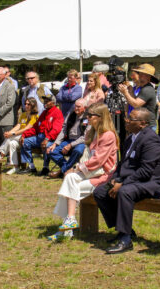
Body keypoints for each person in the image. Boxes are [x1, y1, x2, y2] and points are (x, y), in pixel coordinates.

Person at [93, 107, 160, 254]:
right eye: (127, 117)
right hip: (133, 180)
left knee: (125, 192)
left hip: (152, 182)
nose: (126, 120)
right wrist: (115, 179)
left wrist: (123, 183)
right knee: (100, 192)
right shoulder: (130, 138)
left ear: (142, 123)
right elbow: (122, 165)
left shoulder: (151, 139)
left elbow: (146, 170)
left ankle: (126, 240)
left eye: (131, 119)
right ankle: (122, 230)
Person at [49, 103, 119, 241]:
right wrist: (77, 168)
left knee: (71, 187)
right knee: (69, 181)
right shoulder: (93, 132)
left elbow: (98, 161)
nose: (87, 118)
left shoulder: (108, 135)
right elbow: (88, 157)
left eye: (90, 115)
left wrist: (77, 168)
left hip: (103, 176)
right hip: (92, 172)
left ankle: (67, 228)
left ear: (100, 117)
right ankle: (70, 220)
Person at [19, 94, 64, 175]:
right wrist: (24, 134)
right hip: (39, 137)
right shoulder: (44, 113)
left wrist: (47, 139)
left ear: (53, 102)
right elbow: (35, 127)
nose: (45, 103)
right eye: (44, 101)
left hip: (51, 139)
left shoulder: (57, 113)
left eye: (47, 101)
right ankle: (31, 167)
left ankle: (45, 167)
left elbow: (56, 129)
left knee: (46, 146)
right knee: (25, 142)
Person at [45, 98, 88, 179]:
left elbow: (85, 137)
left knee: (78, 151)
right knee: (51, 150)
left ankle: (61, 171)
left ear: (85, 108)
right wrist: (55, 143)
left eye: (78, 107)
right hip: (69, 139)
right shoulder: (71, 114)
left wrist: (70, 145)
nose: (76, 108)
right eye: (75, 106)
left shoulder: (88, 117)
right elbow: (63, 130)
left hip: (81, 142)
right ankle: (68, 169)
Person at [0, 98, 39, 174]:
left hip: (28, 136)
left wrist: (13, 134)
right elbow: (18, 125)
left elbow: (27, 128)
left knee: (10, 137)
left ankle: (1, 154)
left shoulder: (35, 116)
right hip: (20, 136)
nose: (26, 105)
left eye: (28, 104)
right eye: (25, 104)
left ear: (33, 105)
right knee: (12, 143)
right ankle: (15, 167)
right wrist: (9, 132)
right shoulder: (23, 114)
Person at [119, 63, 158, 131]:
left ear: (148, 76)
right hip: (143, 124)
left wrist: (125, 93)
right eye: (139, 73)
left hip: (147, 125)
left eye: (142, 74)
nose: (139, 75)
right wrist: (131, 92)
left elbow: (136, 104)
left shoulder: (147, 89)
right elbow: (136, 100)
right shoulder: (144, 88)